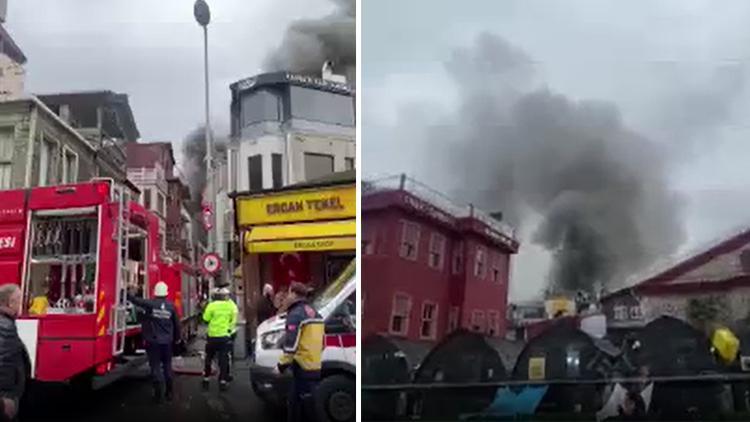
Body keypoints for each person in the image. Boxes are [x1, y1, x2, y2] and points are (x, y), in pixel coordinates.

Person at [127, 281, 181, 403]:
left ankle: (157, 394)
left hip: (153, 342)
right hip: (167, 342)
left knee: (155, 366)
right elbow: (176, 324)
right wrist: (177, 339)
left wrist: (127, 294)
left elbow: (137, 301)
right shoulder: (171, 306)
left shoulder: (150, 304)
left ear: (155, 293)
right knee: (167, 366)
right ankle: (169, 392)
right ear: (166, 293)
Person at [278, 282, 324, 422]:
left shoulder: (295, 314)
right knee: (297, 404)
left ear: (293, 294)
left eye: (289, 293)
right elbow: (322, 341)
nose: (286, 297)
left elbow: (291, 346)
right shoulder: (315, 312)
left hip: (302, 367)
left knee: (307, 409)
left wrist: (281, 365)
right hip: (313, 364)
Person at [0, 284, 29, 422]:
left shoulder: (6, 323)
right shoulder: (4, 326)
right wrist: (3, 402)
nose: (21, 304)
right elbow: (4, 363)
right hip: (6, 400)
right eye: (19, 300)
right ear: (11, 303)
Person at [202, 287, 238, 392]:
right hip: (224, 337)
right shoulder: (230, 306)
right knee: (223, 359)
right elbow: (233, 320)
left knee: (209, 357)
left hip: (212, 336)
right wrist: (229, 332)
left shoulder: (211, 305)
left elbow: (205, 319)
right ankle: (222, 381)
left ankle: (206, 379)